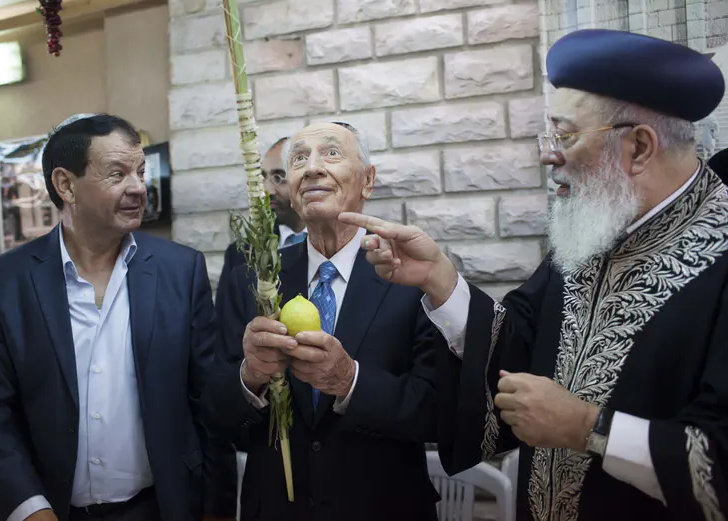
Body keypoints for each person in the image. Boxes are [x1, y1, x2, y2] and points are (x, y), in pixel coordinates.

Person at [340, 29, 728, 521]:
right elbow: (518, 350)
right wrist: (439, 278)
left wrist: (588, 428)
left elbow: (718, 457)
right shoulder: (596, 230)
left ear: (638, 147)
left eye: (564, 135)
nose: (547, 154)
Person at [0, 114, 237, 521]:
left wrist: (217, 507)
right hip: (53, 511)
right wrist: (29, 508)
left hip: (162, 508)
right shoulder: (4, 282)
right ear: (65, 185)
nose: (138, 187)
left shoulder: (180, 271)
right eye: (117, 173)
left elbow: (208, 401)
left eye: (140, 172)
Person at [207, 122, 439, 521]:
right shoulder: (256, 279)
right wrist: (250, 377)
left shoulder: (411, 273)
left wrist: (351, 381)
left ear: (367, 181)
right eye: (299, 158)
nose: (312, 168)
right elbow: (215, 411)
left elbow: (438, 410)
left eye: (331, 153)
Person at [216, 137, 307, 300]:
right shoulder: (241, 254)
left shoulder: (332, 244)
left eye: (278, 178)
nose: (267, 190)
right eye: (263, 177)